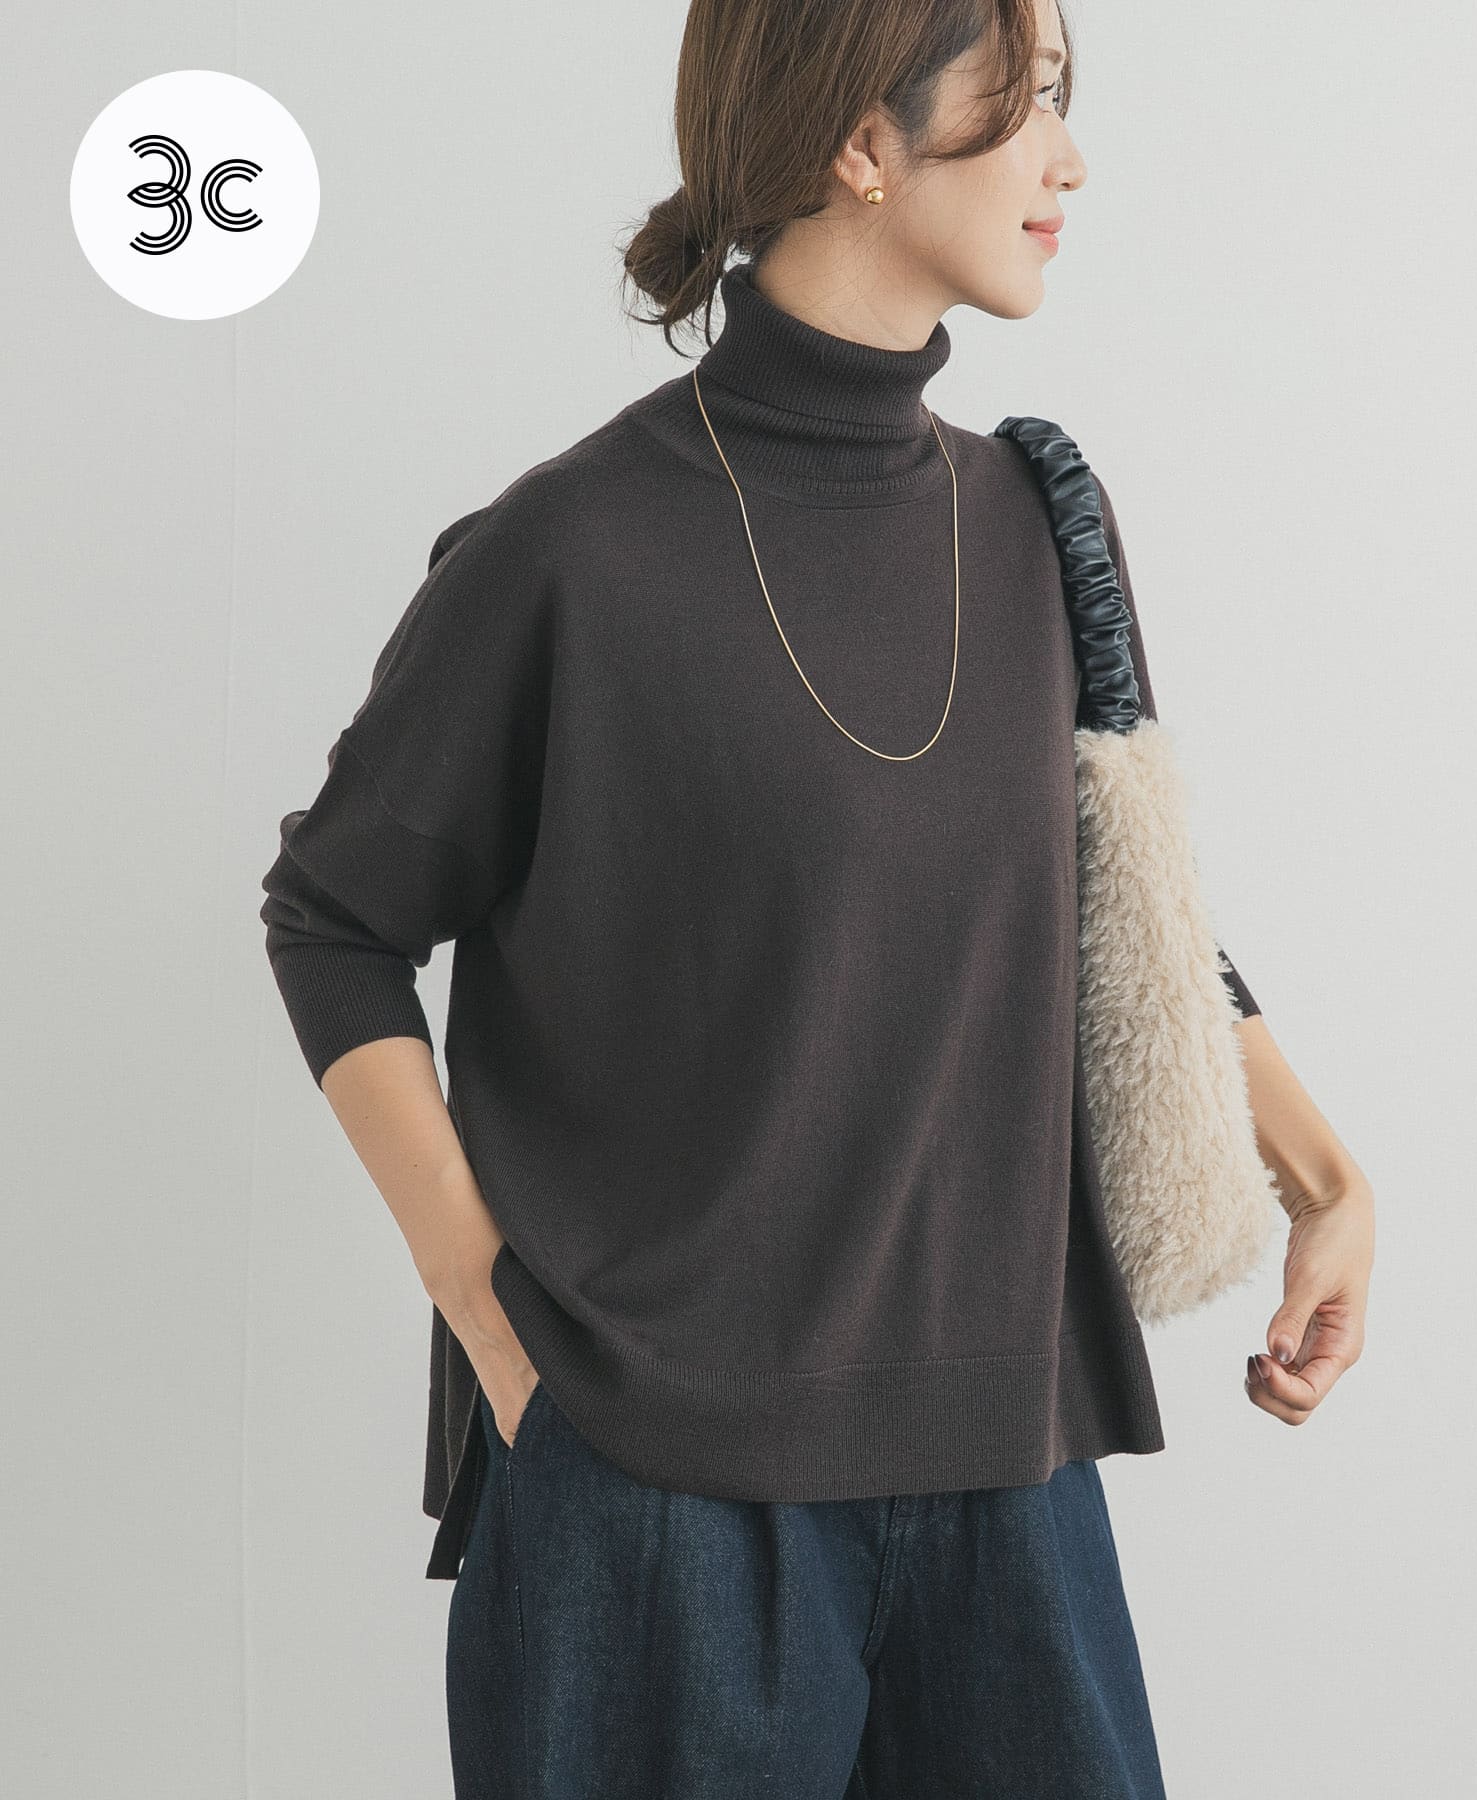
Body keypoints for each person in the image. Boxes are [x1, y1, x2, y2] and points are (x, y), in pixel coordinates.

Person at [260, 1, 1376, 1793]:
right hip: (657, 1500)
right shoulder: (571, 551)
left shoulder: (1036, 524)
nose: (1071, 163)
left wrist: (1325, 1178)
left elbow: (1120, 917)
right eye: (1029, 108)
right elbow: (334, 919)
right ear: (862, 144)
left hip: (1010, 1472)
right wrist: (479, 1301)